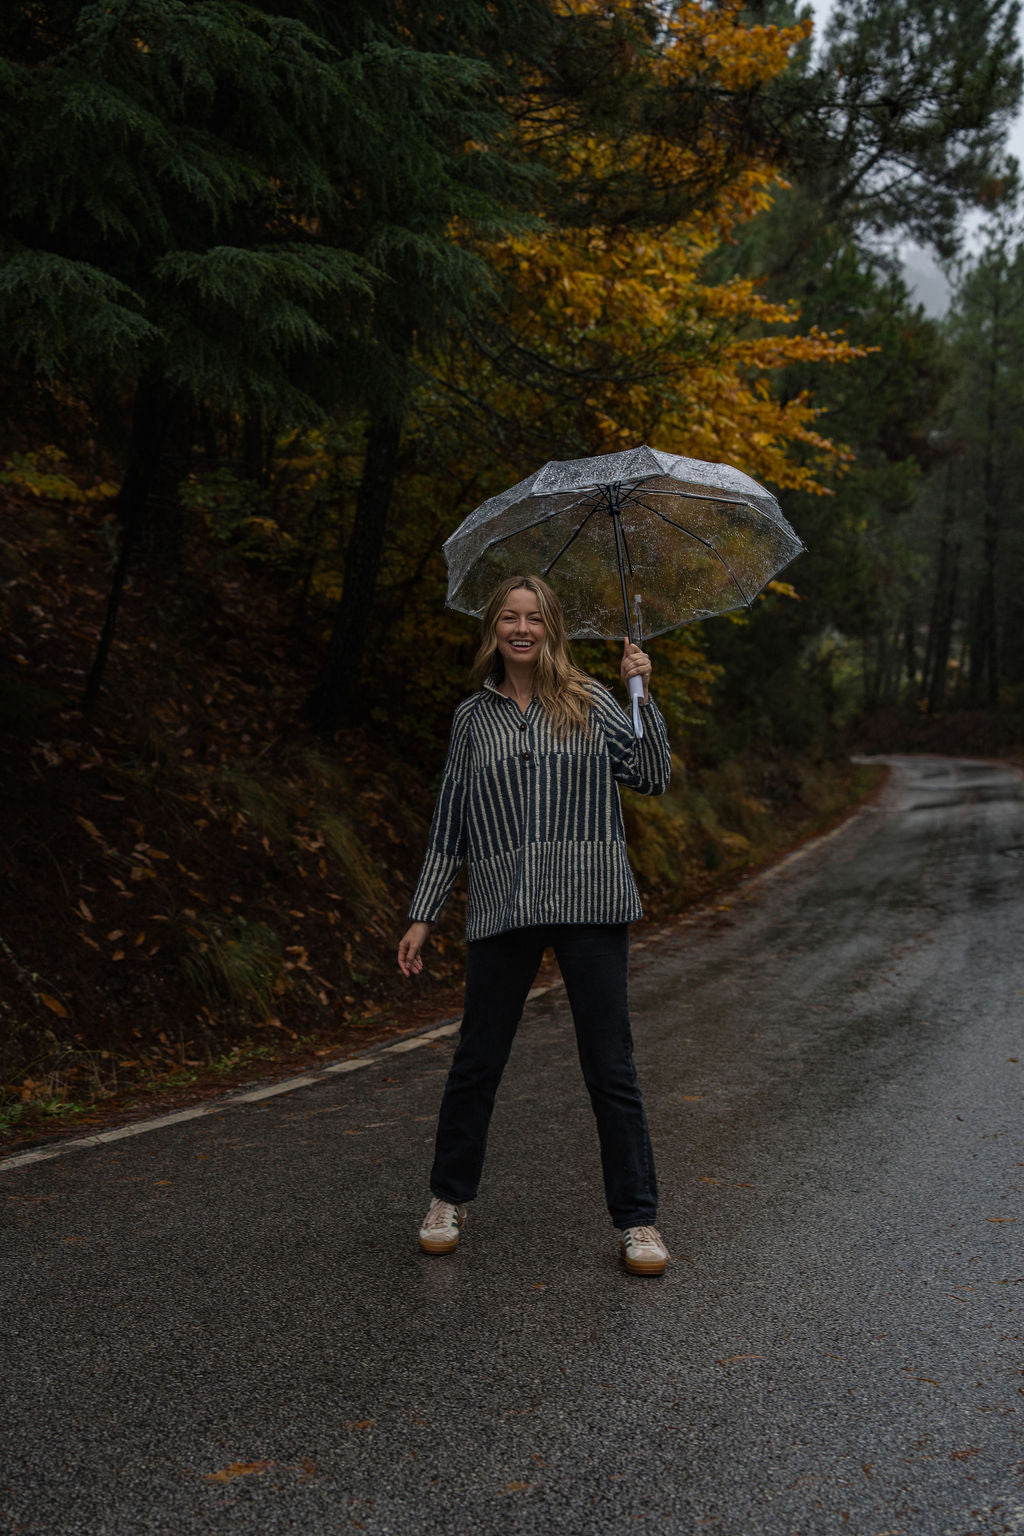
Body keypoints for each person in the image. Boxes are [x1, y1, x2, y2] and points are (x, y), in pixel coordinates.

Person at [397, 573, 673, 1275]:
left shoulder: (590, 701)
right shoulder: (472, 720)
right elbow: (450, 821)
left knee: (610, 1066)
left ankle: (638, 1220)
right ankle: (446, 1199)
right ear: (494, 628)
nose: (522, 630)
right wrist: (423, 914)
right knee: (476, 1064)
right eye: (509, 619)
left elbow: (650, 776)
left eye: (535, 619)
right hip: (503, 905)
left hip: (592, 901)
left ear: (552, 628)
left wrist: (644, 692)